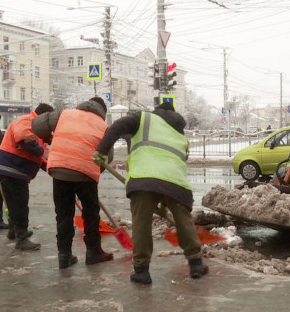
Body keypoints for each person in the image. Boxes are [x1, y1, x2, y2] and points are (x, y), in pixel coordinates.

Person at [93, 102, 208, 285]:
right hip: (176, 184)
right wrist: (164, 199)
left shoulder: (143, 118)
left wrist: (101, 151)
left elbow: (117, 126)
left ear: (158, 111)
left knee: (142, 222)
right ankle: (196, 263)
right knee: (183, 220)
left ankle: (141, 271)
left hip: (144, 179)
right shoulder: (181, 135)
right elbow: (177, 159)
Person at [32, 97, 113, 269]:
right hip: (85, 172)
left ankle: (64, 255)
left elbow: (36, 125)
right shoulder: (103, 126)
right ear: (102, 111)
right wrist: (93, 172)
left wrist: (48, 137)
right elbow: (108, 157)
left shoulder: (64, 114)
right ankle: (93, 252)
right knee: (91, 213)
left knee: (63, 213)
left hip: (59, 168)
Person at [0, 103, 53, 250]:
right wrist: (42, 153)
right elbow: (25, 140)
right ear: (44, 117)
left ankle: (14, 230)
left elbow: (41, 159)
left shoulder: (38, 130)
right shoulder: (26, 120)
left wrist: (53, 169)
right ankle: (22, 239)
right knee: (20, 204)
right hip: (11, 168)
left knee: (15, 203)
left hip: (16, 171)